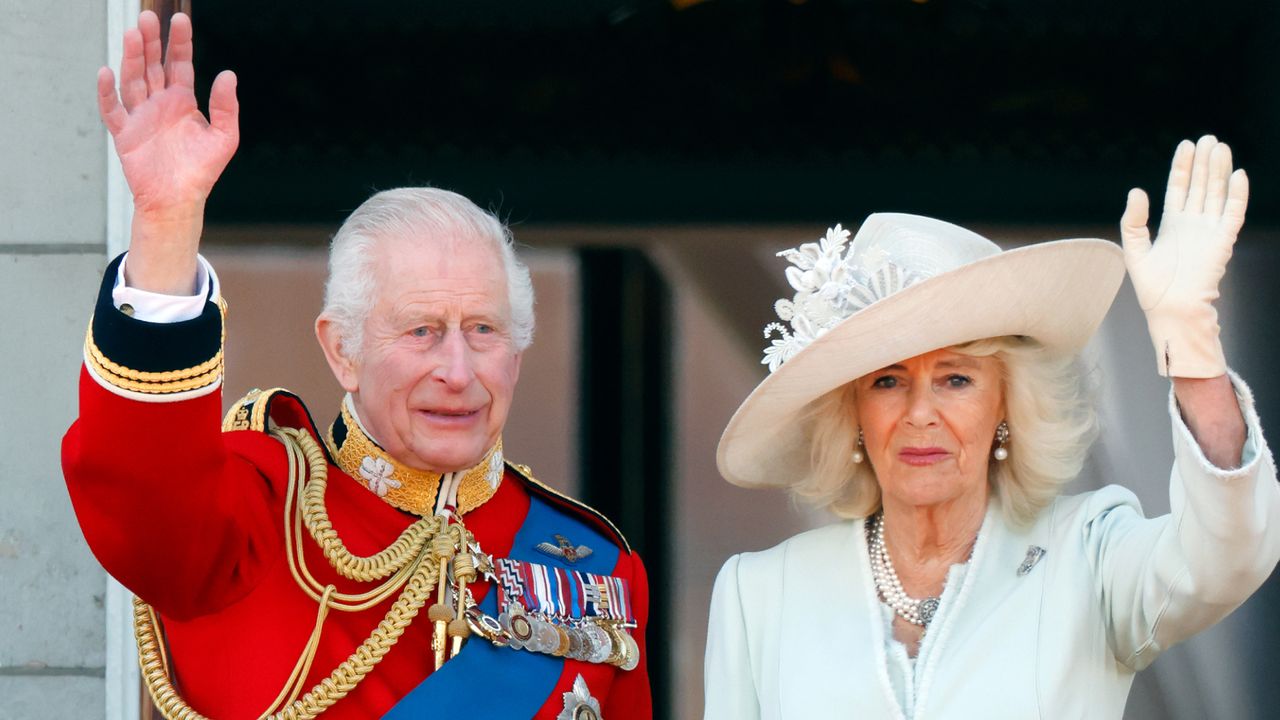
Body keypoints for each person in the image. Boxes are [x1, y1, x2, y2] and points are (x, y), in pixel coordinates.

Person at [62, 11, 649, 719]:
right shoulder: (254, 514)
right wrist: (166, 223)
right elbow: (139, 490)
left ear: (517, 352)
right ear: (342, 349)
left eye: (484, 330)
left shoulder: (594, 572)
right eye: (423, 331)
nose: (458, 371)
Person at [704, 135, 1280, 718]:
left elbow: (1221, 560)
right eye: (887, 381)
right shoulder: (760, 594)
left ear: (1007, 406)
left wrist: (1193, 347)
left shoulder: (1089, 557)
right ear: (850, 411)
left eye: (956, 379)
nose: (920, 412)